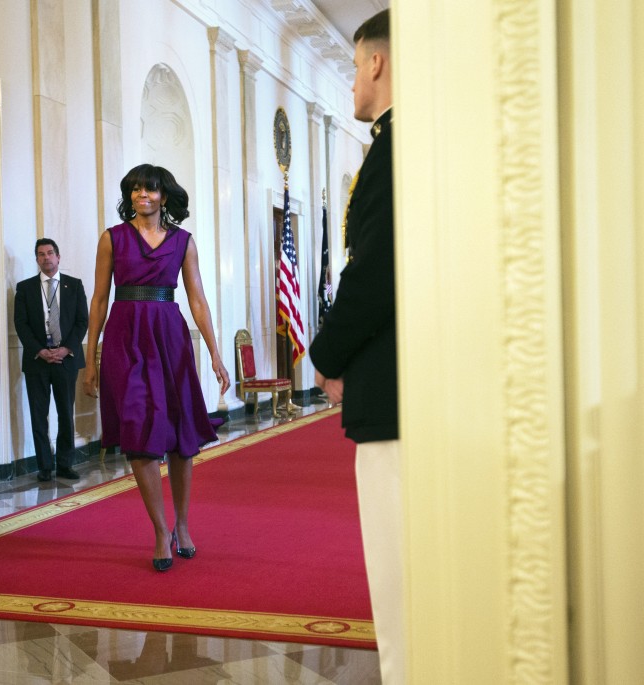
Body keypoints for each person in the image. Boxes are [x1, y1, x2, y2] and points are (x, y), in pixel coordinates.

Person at [308, 10, 405, 683]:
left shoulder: (395, 149)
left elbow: (372, 274)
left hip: (395, 395)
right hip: (411, 387)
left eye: (352, 67)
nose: (351, 82)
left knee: (400, 597)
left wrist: (325, 355)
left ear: (376, 61)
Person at [83, 164, 230, 572]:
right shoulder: (112, 238)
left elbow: (197, 300)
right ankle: (160, 530)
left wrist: (215, 353)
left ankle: (182, 524)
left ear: (164, 196)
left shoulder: (183, 241)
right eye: (134, 189)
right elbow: (99, 300)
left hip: (169, 337)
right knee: (136, 430)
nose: (141, 195)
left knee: (181, 435)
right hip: (124, 339)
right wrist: (90, 357)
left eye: (148, 189)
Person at [14, 238, 89, 482]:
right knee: (39, 415)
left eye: (49, 253)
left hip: (66, 359)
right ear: (36, 259)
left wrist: (66, 349)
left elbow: (82, 321)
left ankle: (65, 464)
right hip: (38, 360)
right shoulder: (25, 288)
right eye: (41, 254)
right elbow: (21, 324)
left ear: (58, 257)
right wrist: (40, 350)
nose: (46, 257)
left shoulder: (74, 285)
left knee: (66, 413)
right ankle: (44, 466)